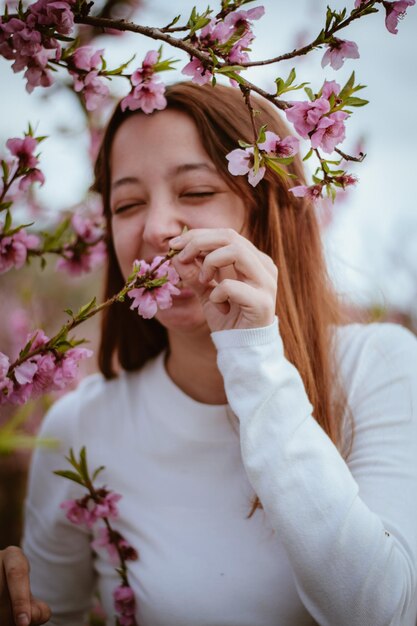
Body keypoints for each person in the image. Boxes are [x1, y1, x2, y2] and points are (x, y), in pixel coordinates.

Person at [1, 81, 417, 626]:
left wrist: (253, 355)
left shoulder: (379, 367)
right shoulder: (82, 425)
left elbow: (386, 611)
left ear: (269, 213)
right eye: (127, 204)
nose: (155, 229)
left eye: (195, 193)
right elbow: (57, 613)